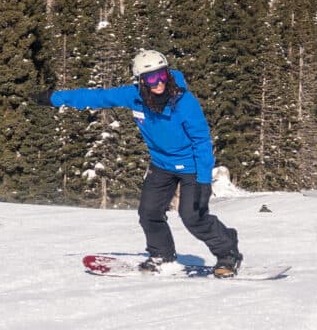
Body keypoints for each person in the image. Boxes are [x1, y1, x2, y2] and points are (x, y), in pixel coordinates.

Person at [34, 49, 243, 276]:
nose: (159, 83)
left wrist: (203, 181)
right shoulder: (133, 96)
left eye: (162, 75)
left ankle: (228, 252)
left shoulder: (184, 102)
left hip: (191, 165)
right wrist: (56, 98)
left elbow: (201, 141)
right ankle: (162, 255)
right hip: (161, 164)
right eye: (152, 78)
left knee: (193, 216)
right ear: (141, 81)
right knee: (149, 212)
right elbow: (97, 97)